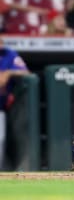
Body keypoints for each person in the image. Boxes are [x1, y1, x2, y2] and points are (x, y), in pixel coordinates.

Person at [0, 37, 29, 169]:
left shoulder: (8, 53)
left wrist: (8, 72)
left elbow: (26, 72)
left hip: (6, 104)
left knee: (6, 138)